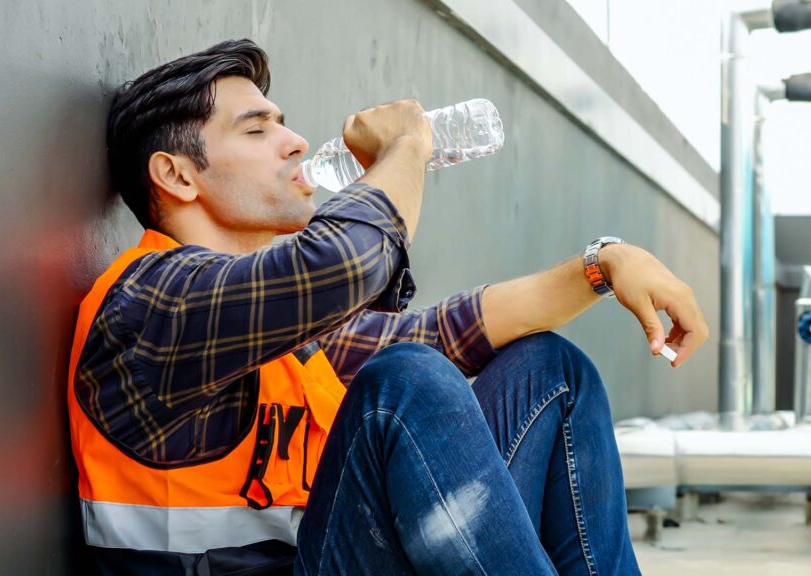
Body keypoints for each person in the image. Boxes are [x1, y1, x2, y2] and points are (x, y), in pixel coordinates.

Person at [68, 38, 708, 576]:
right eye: (258, 129)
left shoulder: (276, 332)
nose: (294, 143)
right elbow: (347, 264)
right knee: (405, 381)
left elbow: (447, 333)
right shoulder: (152, 302)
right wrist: (408, 146)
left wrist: (605, 264)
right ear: (178, 177)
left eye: (283, 123)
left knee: (549, 372)